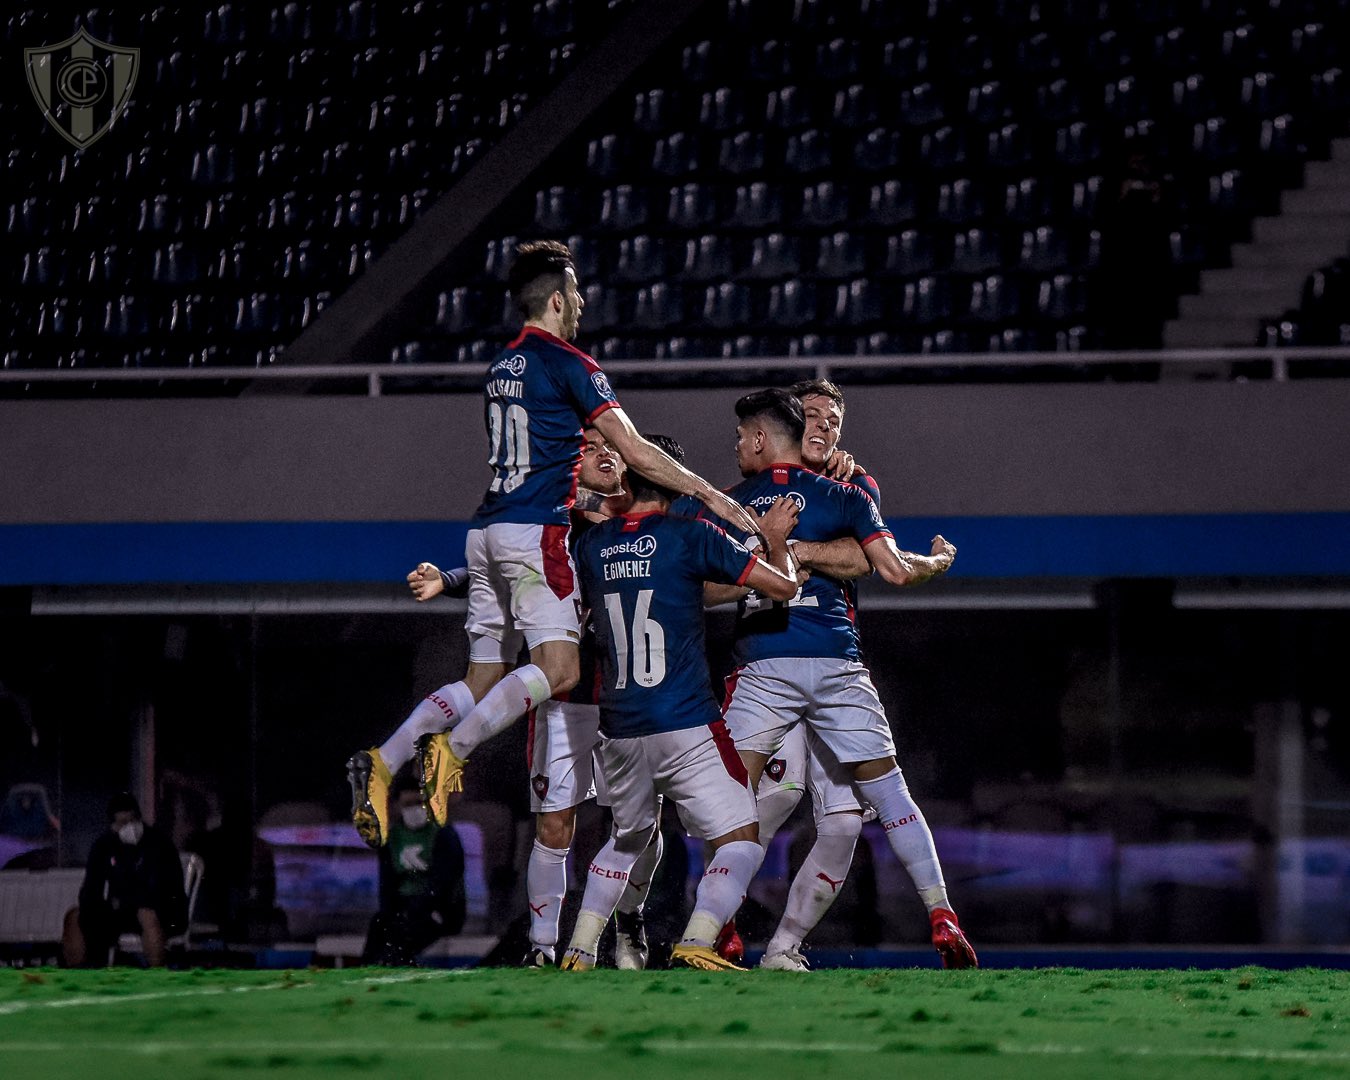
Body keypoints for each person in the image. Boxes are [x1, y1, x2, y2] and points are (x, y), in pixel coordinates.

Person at [348, 239, 759, 849]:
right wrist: (717, 501)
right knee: (559, 669)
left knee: (483, 676)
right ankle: (452, 748)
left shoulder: (500, 368)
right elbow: (638, 449)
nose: (584, 304)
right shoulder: (572, 363)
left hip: (485, 529)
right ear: (562, 299)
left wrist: (455, 576)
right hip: (534, 531)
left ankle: (384, 760)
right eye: (578, 294)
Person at [704, 388, 978, 970]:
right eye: (812, 416)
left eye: (834, 419)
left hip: (808, 663)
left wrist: (796, 549)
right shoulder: (747, 497)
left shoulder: (855, 488)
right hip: (792, 662)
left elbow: (866, 562)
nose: (823, 426)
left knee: (843, 822)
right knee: (768, 800)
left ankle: (779, 948)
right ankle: (717, 927)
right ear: (789, 424)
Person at [376, 428, 664, 967]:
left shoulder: (648, 519)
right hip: (565, 699)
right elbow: (505, 571)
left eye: (612, 448)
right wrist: (450, 577)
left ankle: (630, 920)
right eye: (592, 448)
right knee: (555, 825)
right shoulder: (551, 517)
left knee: (637, 826)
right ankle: (542, 949)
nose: (604, 456)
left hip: (633, 698)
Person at [558, 434, 801, 971]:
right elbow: (781, 587)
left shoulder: (592, 547)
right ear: (671, 480)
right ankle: (698, 935)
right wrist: (778, 540)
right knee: (742, 839)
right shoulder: (690, 535)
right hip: (686, 720)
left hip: (618, 726)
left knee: (627, 841)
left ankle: (576, 950)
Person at [62, 792, 188, 967]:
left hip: (160, 909)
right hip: (121, 909)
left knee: (147, 915)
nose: (129, 827)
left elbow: (167, 889)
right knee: (75, 917)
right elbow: (91, 889)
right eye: (122, 823)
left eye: (132, 820)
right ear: (113, 825)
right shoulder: (104, 846)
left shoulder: (159, 844)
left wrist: (139, 902)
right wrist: (97, 907)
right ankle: (78, 976)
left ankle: (157, 975)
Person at [363, 776, 466, 965]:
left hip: (437, 910)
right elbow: (387, 884)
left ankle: (393, 965)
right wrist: (392, 912)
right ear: (397, 807)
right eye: (408, 804)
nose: (414, 809)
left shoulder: (443, 835)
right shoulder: (392, 839)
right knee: (380, 924)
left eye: (419, 803)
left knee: (403, 934)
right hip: (403, 906)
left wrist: (418, 908)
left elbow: (443, 883)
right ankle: (368, 969)